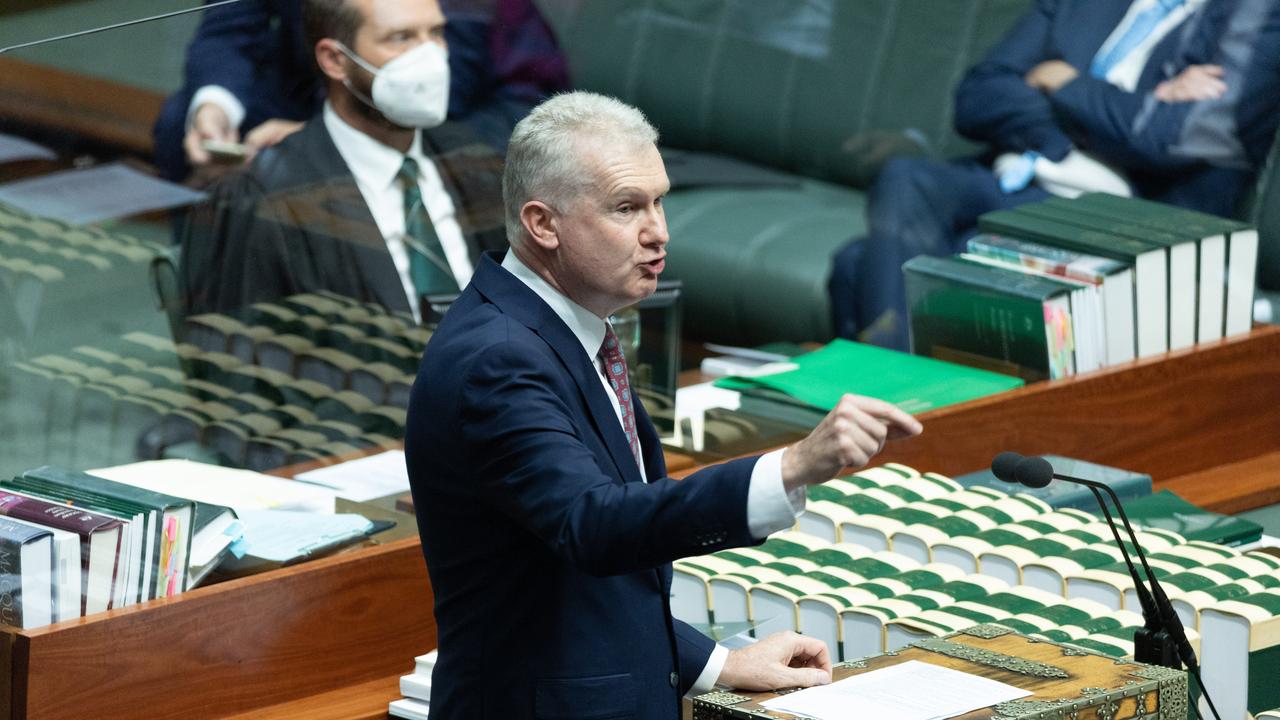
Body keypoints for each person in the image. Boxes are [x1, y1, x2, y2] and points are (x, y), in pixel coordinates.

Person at [405, 91, 924, 718]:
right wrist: (791, 466)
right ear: (543, 224)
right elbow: (593, 526)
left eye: (659, 201)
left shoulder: (568, 330)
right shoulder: (500, 357)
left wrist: (717, 665)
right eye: (627, 208)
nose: (659, 232)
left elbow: (576, 583)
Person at [828, 0, 1280, 351]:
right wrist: (1117, 112)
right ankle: (898, 400)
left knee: (862, 264)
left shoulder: (1255, 17)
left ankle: (886, 403)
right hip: (1018, 175)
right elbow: (977, 95)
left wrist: (1060, 81)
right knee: (906, 176)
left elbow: (1168, 139)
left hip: (1124, 216)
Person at [178, 0, 509, 321]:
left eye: (436, 33)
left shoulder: (476, 165)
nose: (430, 57)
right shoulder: (262, 202)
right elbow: (245, 362)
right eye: (401, 38)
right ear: (335, 59)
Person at [153, 0, 569, 181]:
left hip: (473, 97)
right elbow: (228, 25)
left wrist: (324, 137)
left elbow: (436, 75)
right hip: (330, 77)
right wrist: (216, 108)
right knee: (180, 125)